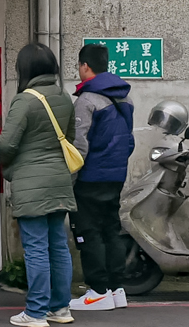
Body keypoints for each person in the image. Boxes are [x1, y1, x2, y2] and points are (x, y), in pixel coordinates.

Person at [0, 44, 78, 327]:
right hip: (59, 181)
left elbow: (6, 144)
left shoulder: (25, 100)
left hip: (31, 184)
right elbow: (70, 138)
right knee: (58, 245)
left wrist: (10, 167)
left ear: (24, 69)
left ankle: (35, 312)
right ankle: (61, 308)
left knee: (36, 248)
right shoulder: (65, 97)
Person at [68, 44, 135, 313]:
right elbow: (129, 140)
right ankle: (117, 289)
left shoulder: (87, 101)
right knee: (111, 229)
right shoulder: (125, 99)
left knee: (89, 232)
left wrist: (71, 177)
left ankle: (97, 291)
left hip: (91, 176)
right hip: (116, 175)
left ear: (85, 66)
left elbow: (79, 146)